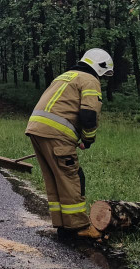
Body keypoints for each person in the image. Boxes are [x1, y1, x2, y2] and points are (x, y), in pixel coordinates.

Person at [25, 48, 112, 240]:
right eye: (103, 74)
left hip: (36, 130)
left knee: (55, 179)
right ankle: (79, 227)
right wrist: (88, 139)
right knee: (72, 177)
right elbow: (88, 115)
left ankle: (63, 226)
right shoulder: (90, 80)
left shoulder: (66, 76)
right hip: (56, 134)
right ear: (100, 67)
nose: (102, 79)